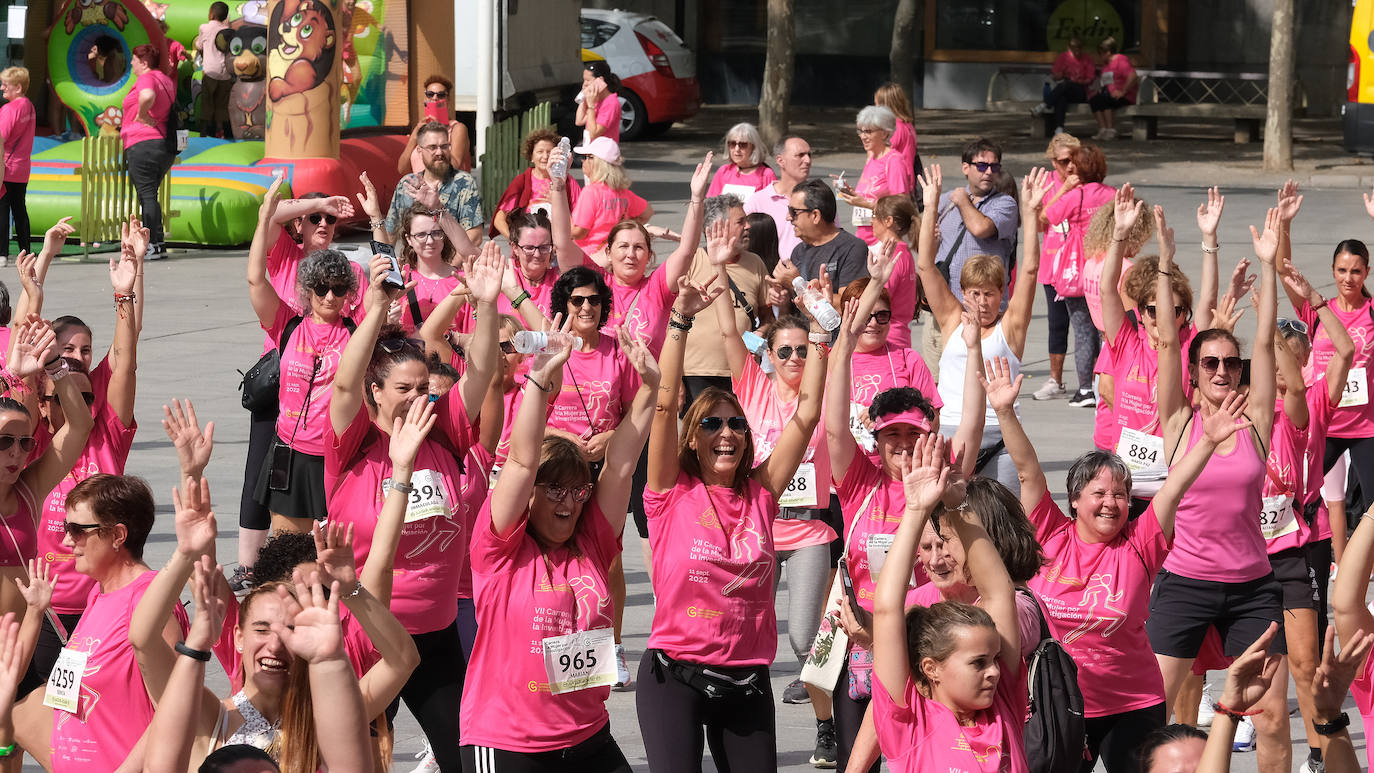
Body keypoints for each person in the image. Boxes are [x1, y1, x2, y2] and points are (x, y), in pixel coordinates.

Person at [991, 355, 1251, 772]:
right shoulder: (1050, 534)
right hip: (1059, 702)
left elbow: (1174, 488)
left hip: (1132, 704)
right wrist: (1005, 411)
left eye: (1120, 495)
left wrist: (1208, 440)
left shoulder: (1140, 543)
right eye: (1099, 493)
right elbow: (1027, 472)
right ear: (1074, 499)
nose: (1111, 503)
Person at [128, 399, 420, 770]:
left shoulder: (331, 709)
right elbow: (149, 634)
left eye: (294, 627)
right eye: (263, 628)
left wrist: (352, 591)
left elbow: (403, 657)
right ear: (235, 634)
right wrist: (186, 541)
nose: (277, 641)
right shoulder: (209, 717)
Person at [636, 273, 825, 772]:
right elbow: (664, 405)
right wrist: (680, 319)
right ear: (693, 437)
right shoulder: (669, 491)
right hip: (674, 674)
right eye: (712, 424)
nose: (727, 433)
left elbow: (805, 415)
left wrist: (823, 334)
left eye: (737, 423)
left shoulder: (762, 492)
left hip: (746, 678)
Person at [327, 246, 501, 773]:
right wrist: (377, 309)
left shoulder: (442, 430)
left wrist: (489, 306)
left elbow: (480, 376)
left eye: (423, 388)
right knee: (358, 761)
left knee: (468, 759)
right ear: (374, 392)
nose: (417, 398)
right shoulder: (352, 443)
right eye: (403, 389)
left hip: (436, 632)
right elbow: (341, 382)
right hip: (366, 633)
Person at [459, 323, 657, 771]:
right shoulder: (499, 550)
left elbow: (622, 466)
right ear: (529, 494)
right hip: (509, 742)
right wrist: (540, 379)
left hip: (587, 735)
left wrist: (650, 387)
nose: (568, 502)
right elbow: (523, 459)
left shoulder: (593, 542)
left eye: (577, 491)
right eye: (553, 490)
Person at [825, 245, 986, 771]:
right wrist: (843, 348)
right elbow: (831, 427)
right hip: (862, 650)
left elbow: (971, 429)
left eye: (909, 434)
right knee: (860, 762)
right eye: (889, 435)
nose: (899, 444)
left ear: (926, 435)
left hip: (928, 656)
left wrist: (974, 351)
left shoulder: (941, 480)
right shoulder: (860, 483)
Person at [703, 220, 836, 765]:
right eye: (784, 352)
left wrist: (815, 308)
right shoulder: (753, 387)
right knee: (740, 635)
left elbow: (832, 345)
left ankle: (829, 724)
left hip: (807, 530)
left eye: (803, 351)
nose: (795, 361)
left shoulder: (822, 392)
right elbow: (732, 335)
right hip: (755, 530)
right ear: (770, 356)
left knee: (807, 639)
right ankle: (731, 720)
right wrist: (716, 266)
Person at [1148, 205, 1282, 721]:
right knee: (1156, 704)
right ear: (1195, 370)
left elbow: (1266, 341)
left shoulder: (1256, 423)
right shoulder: (1179, 421)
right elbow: (1165, 338)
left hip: (1252, 587)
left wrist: (1269, 264)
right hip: (1184, 582)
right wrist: (1165, 257)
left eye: (1230, 362)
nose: (1223, 370)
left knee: (1265, 715)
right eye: (1210, 362)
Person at [25, 221, 144, 694]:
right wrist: (40, 275)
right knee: (19, 725)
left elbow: (126, 355)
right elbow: (24, 340)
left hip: (100, 606)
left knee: (83, 717)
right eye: (64, 397)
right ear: (43, 399)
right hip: (40, 609)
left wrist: (128, 290)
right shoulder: (27, 442)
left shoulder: (108, 435)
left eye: (87, 396)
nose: (80, 406)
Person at [868, 433, 1029, 773]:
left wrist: (959, 504)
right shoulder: (907, 721)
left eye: (994, 659)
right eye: (978, 663)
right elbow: (886, 609)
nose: (996, 672)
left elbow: (1000, 592)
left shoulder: (1004, 704)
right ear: (931, 669)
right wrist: (915, 510)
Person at [232, 179, 362, 590]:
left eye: (339, 290)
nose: (329, 296)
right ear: (306, 291)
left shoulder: (355, 332)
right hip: (290, 450)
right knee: (287, 552)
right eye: (321, 289)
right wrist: (270, 207)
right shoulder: (289, 324)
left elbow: (383, 306)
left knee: (327, 555)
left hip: (334, 454)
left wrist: (377, 224)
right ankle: (268, 590)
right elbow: (255, 280)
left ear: (348, 294)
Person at [9, 474, 189, 771]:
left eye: (77, 530)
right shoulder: (99, 592)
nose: (66, 540)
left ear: (118, 535)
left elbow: (174, 713)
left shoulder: (149, 601)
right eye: (67, 528)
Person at [917, 165, 1046, 491]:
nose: (982, 301)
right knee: (946, 521)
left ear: (1001, 293)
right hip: (950, 431)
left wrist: (1030, 213)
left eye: (989, 293)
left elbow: (1029, 271)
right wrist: (930, 205)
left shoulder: (1011, 327)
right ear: (963, 292)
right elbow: (925, 266)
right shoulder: (950, 319)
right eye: (974, 293)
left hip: (1000, 435)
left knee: (1002, 526)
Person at [1097, 185, 1196, 510]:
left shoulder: (1187, 345)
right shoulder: (1126, 341)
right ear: (1141, 312)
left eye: (1172, 311)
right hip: (1123, 477)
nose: (1161, 318)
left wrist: (1208, 245)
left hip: (1169, 476)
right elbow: (1106, 289)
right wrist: (1119, 236)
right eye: (1152, 310)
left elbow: (1207, 301)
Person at [1041, 142, 1114, 407]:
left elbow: (1048, 215)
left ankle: (1085, 389)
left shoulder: (1076, 196)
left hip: (1079, 274)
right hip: (1108, 270)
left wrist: (1064, 190)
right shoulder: (1112, 194)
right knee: (1106, 331)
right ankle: (1104, 382)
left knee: (1083, 332)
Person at [682, 194, 772, 403]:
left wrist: (760, 332)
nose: (748, 226)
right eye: (741, 221)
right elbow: (668, 322)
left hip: (741, 372)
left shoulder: (755, 262)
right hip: (695, 373)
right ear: (719, 226)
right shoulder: (691, 261)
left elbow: (768, 316)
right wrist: (674, 379)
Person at [837, 274, 940, 456]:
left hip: (897, 464)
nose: (874, 323)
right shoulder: (832, 362)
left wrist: (888, 416)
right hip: (844, 468)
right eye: (865, 316)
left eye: (882, 315)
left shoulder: (909, 359)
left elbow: (933, 421)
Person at [933, 138, 1019, 304]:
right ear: (965, 168)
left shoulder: (1005, 203)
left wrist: (963, 201)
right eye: (981, 166)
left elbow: (980, 228)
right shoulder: (945, 201)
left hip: (985, 308)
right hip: (945, 305)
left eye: (994, 167)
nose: (988, 172)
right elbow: (918, 244)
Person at [1031, 132, 1080, 400]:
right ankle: (1055, 380)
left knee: (1090, 326)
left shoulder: (1086, 182)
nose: (1071, 166)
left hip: (1082, 265)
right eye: (1064, 161)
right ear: (1053, 161)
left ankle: (1093, 381)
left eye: (1075, 159)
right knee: (1057, 323)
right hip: (1054, 264)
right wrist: (1063, 191)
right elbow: (1040, 221)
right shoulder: (1048, 184)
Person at [384, 121, 483, 244]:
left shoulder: (463, 183)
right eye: (432, 147)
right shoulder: (406, 185)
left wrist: (449, 264)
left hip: (453, 261)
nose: (439, 152)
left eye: (444, 146)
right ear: (419, 150)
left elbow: (475, 235)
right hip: (412, 261)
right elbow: (389, 234)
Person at [120, 45, 176, 259]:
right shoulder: (166, 80)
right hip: (163, 145)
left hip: (143, 142)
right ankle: (158, 242)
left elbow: (147, 95)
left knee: (147, 195)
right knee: (151, 194)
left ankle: (150, 243)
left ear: (143, 63)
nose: (132, 64)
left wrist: (142, 115)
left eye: (134, 60)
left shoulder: (146, 78)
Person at [781, 178, 869, 303]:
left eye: (793, 212)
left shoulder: (852, 248)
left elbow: (849, 306)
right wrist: (781, 297)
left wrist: (799, 284)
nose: (788, 217)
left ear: (815, 216)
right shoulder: (798, 251)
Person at [837, 106, 913, 246]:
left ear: (884, 133)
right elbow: (870, 192)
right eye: (861, 131)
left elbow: (902, 204)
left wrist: (864, 204)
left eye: (868, 131)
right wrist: (852, 194)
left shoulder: (894, 160)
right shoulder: (872, 158)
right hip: (863, 236)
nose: (863, 136)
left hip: (883, 239)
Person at [490, 127, 581, 239]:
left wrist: (558, 202)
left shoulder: (567, 182)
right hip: (527, 248)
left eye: (549, 152)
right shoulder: (522, 181)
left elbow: (580, 223)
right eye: (540, 152)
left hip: (558, 247)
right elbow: (499, 219)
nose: (545, 156)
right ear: (531, 156)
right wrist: (515, 241)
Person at [569, 136, 653, 255]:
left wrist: (560, 221)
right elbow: (647, 212)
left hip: (591, 256)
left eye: (587, 157)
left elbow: (579, 232)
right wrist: (627, 226)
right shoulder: (624, 193)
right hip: (616, 254)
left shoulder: (591, 192)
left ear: (598, 162)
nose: (583, 161)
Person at [745, 136, 813, 263]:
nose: (808, 160)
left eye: (809, 155)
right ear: (781, 161)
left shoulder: (818, 197)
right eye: (800, 155)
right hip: (771, 275)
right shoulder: (758, 201)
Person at [867, 194, 919, 348]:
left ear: (888, 221)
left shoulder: (893, 256)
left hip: (888, 338)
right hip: (900, 334)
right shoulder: (904, 252)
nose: (872, 221)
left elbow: (879, 298)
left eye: (875, 216)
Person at [396, 75, 473, 174]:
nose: (435, 98)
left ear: (448, 99)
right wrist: (414, 138)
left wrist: (438, 132)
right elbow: (402, 169)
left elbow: (455, 165)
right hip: (421, 187)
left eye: (441, 95)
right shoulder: (420, 129)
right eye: (430, 94)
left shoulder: (456, 128)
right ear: (425, 98)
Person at [0, 67, 36, 268]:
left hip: (4, 166)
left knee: (2, 210)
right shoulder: (29, 107)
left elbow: (1, 137)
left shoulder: (10, 109)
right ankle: (26, 251)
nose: (2, 87)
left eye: (6, 84)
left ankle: (2, 253)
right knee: (20, 210)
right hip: (22, 167)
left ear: (18, 87)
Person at [1035, 37, 1096, 136]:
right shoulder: (1063, 57)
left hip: (1081, 91)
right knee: (1061, 98)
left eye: (1078, 49)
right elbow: (1055, 77)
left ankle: (1044, 105)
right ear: (1069, 49)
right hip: (1065, 89)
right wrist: (1062, 73)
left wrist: (1080, 81)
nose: (1076, 52)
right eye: (1074, 50)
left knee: (1066, 85)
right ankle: (1059, 129)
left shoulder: (1086, 59)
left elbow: (1090, 79)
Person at [706, 122, 775, 199]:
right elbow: (710, 205)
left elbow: (772, 207)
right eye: (732, 144)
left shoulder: (766, 174)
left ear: (753, 147)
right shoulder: (723, 171)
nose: (737, 149)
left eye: (743, 145)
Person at [195, 2, 233, 139]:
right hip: (226, 73)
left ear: (211, 13)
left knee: (207, 102)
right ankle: (226, 133)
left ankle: (205, 134)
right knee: (222, 104)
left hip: (210, 71)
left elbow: (199, 45)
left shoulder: (204, 27)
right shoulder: (228, 30)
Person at [1090, 37, 1138, 141]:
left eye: (1101, 53)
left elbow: (1133, 76)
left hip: (1125, 95)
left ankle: (1110, 129)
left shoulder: (1120, 60)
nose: (1100, 56)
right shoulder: (1106, 66)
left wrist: (1123, 91)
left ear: (1107, 52)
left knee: (1106, 100)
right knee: (1094, 99)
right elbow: (1107, 83)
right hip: (1111, 94)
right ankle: (1103, 129)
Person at [873, 82, 918, 175]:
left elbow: (883, 156)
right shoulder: (907, 124)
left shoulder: (895, 128)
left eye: (877, 105)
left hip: (894, 180)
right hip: (904, 177)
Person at [576, 60, 622, 145]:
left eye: (587, 80)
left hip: (603, 155)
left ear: (600, 80)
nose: (584, 84)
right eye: (584, 80)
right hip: (591, 152)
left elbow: (594, 133)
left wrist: (591, 107)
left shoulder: (611, 103)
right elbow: (579, 121)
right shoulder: (595, 100)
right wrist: (583, 96)